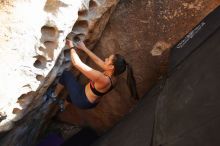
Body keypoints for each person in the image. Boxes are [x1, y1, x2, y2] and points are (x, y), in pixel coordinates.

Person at [47, 38, 138, 110]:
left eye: (108, 59)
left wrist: (71, 47)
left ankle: (53, 95)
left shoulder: (103, 79)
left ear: (111, 67)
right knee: (72, 93)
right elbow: (98, 61)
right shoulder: (114, 75)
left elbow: (77, 64)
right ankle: (63, 105)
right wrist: (84, 48)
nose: (105, 59)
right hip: (91, 101)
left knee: (66, 75)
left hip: (82, 100)